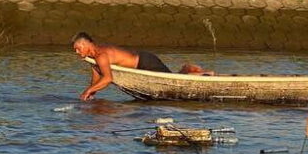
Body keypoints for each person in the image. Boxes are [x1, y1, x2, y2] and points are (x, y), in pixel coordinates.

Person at [72, 32, 215, 101]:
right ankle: (187, 69)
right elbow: (97, 78)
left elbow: (108, 78)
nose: (77, 52)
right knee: (171, 78)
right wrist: (91, 93)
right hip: (141, 64)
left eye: (78, 49)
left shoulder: (101, 55)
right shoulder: (94, 58)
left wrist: (87, 92)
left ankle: (199, 73)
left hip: (146, 62)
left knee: (173, 81)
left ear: (85, 44)